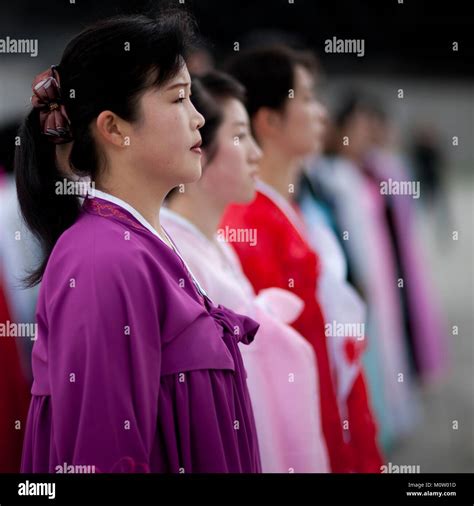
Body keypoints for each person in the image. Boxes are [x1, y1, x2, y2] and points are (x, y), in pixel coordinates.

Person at [16, 13, 261, 473]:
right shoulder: (102, 260)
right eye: (180, 98)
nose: (200, 118)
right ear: (113, 128)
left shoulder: (139, 242)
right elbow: (103, 457)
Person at [221, 46, 383, 472]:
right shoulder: (249, 229)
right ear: (269, 120)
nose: (321, 113)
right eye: (307, 98)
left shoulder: (293, 213)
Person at [163, 71, 329, 472]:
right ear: (197, 145)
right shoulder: (175, 258)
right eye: (240, 136)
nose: (256, 153)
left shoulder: (217, 245)